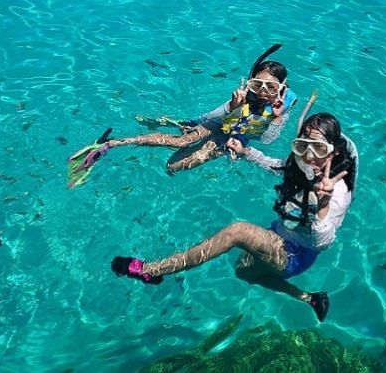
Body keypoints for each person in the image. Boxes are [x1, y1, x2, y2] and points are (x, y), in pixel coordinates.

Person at [111, 113, 358, 322]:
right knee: (245, 273)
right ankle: (310, 298)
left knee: (237, 232)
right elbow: (278, 166)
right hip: (279, 235)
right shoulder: (303, 163)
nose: (309, 154)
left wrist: (323, 205)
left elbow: (323, 243)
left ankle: (151, 269)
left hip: (297, 253)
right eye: (304, 145)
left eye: (319, 147)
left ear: (334, 151)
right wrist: (246, 152)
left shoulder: (337, 193)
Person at [68, 45, 296, 180]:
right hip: (216, 125)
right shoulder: (242, 98)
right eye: (259, 85)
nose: (264, 93)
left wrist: (276, 118)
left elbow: (266, 141)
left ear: (281, 89)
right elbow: (211, 118)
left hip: (232, 141)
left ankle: (168, 124)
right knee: (181, 141)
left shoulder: (280, 110)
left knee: (172, 167)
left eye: (271, 88)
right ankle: (113, 144)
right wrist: (232, 108)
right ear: (250, 84)